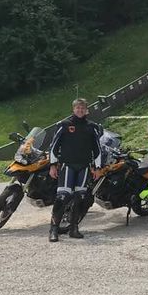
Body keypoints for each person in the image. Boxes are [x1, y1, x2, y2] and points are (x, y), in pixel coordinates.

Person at [47, 98, 103, 242]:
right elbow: (53, 147)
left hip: (84, 166)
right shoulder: (64, 124)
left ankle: (73, 228)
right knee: (62, 197)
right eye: (78, 108)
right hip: (67, 165)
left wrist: (98, 168)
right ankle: (54, 229)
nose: (80, 110)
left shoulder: (92, 127)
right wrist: (52, 165)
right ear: (73, 109)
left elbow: (97, 149)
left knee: (80, 197)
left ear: (86, 110)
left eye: (83, 108)